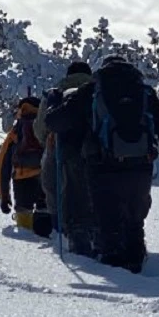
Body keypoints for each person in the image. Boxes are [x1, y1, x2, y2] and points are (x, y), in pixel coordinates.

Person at [45, 56, 159, 273]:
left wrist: (55, 104)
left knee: (108, 224)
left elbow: (55, 122)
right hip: (140, 167)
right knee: (135, 221)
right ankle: (137, 267)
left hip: (103, 168)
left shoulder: (92, 90)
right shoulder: (145, 92)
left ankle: (117, 273)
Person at [36, 62, 96, 256]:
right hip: (96, 150)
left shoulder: (56, 93)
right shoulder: (98, 91)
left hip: (62, 149)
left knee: (59, 188)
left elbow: (41, 129)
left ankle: (65, 230)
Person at [0, 96, 50, 235]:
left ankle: (26, 244)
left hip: (22, 178)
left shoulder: (16, 130)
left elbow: (3, 165)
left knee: (24, 218)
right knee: (46, 216)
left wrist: (4, 197)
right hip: (46, 175)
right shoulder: (47, 124)